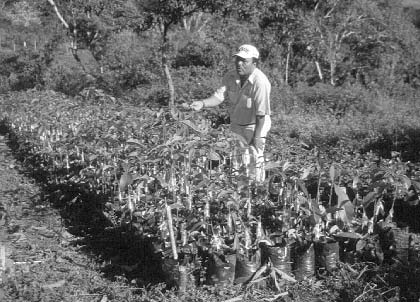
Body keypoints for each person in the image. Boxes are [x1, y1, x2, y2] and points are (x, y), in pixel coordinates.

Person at [190, 44, 272, 182]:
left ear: (254, 63)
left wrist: (257, 137)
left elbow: (261, 114)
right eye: (237, 59)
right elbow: (218, 97)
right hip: (236, 124)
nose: (239, 63)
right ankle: (238, 190)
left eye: (244, 61)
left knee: (254, 159)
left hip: (256, 125)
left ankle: (257, 193)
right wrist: (202, 103)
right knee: (237, 160)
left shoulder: (260, 82)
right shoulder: (230, 76)